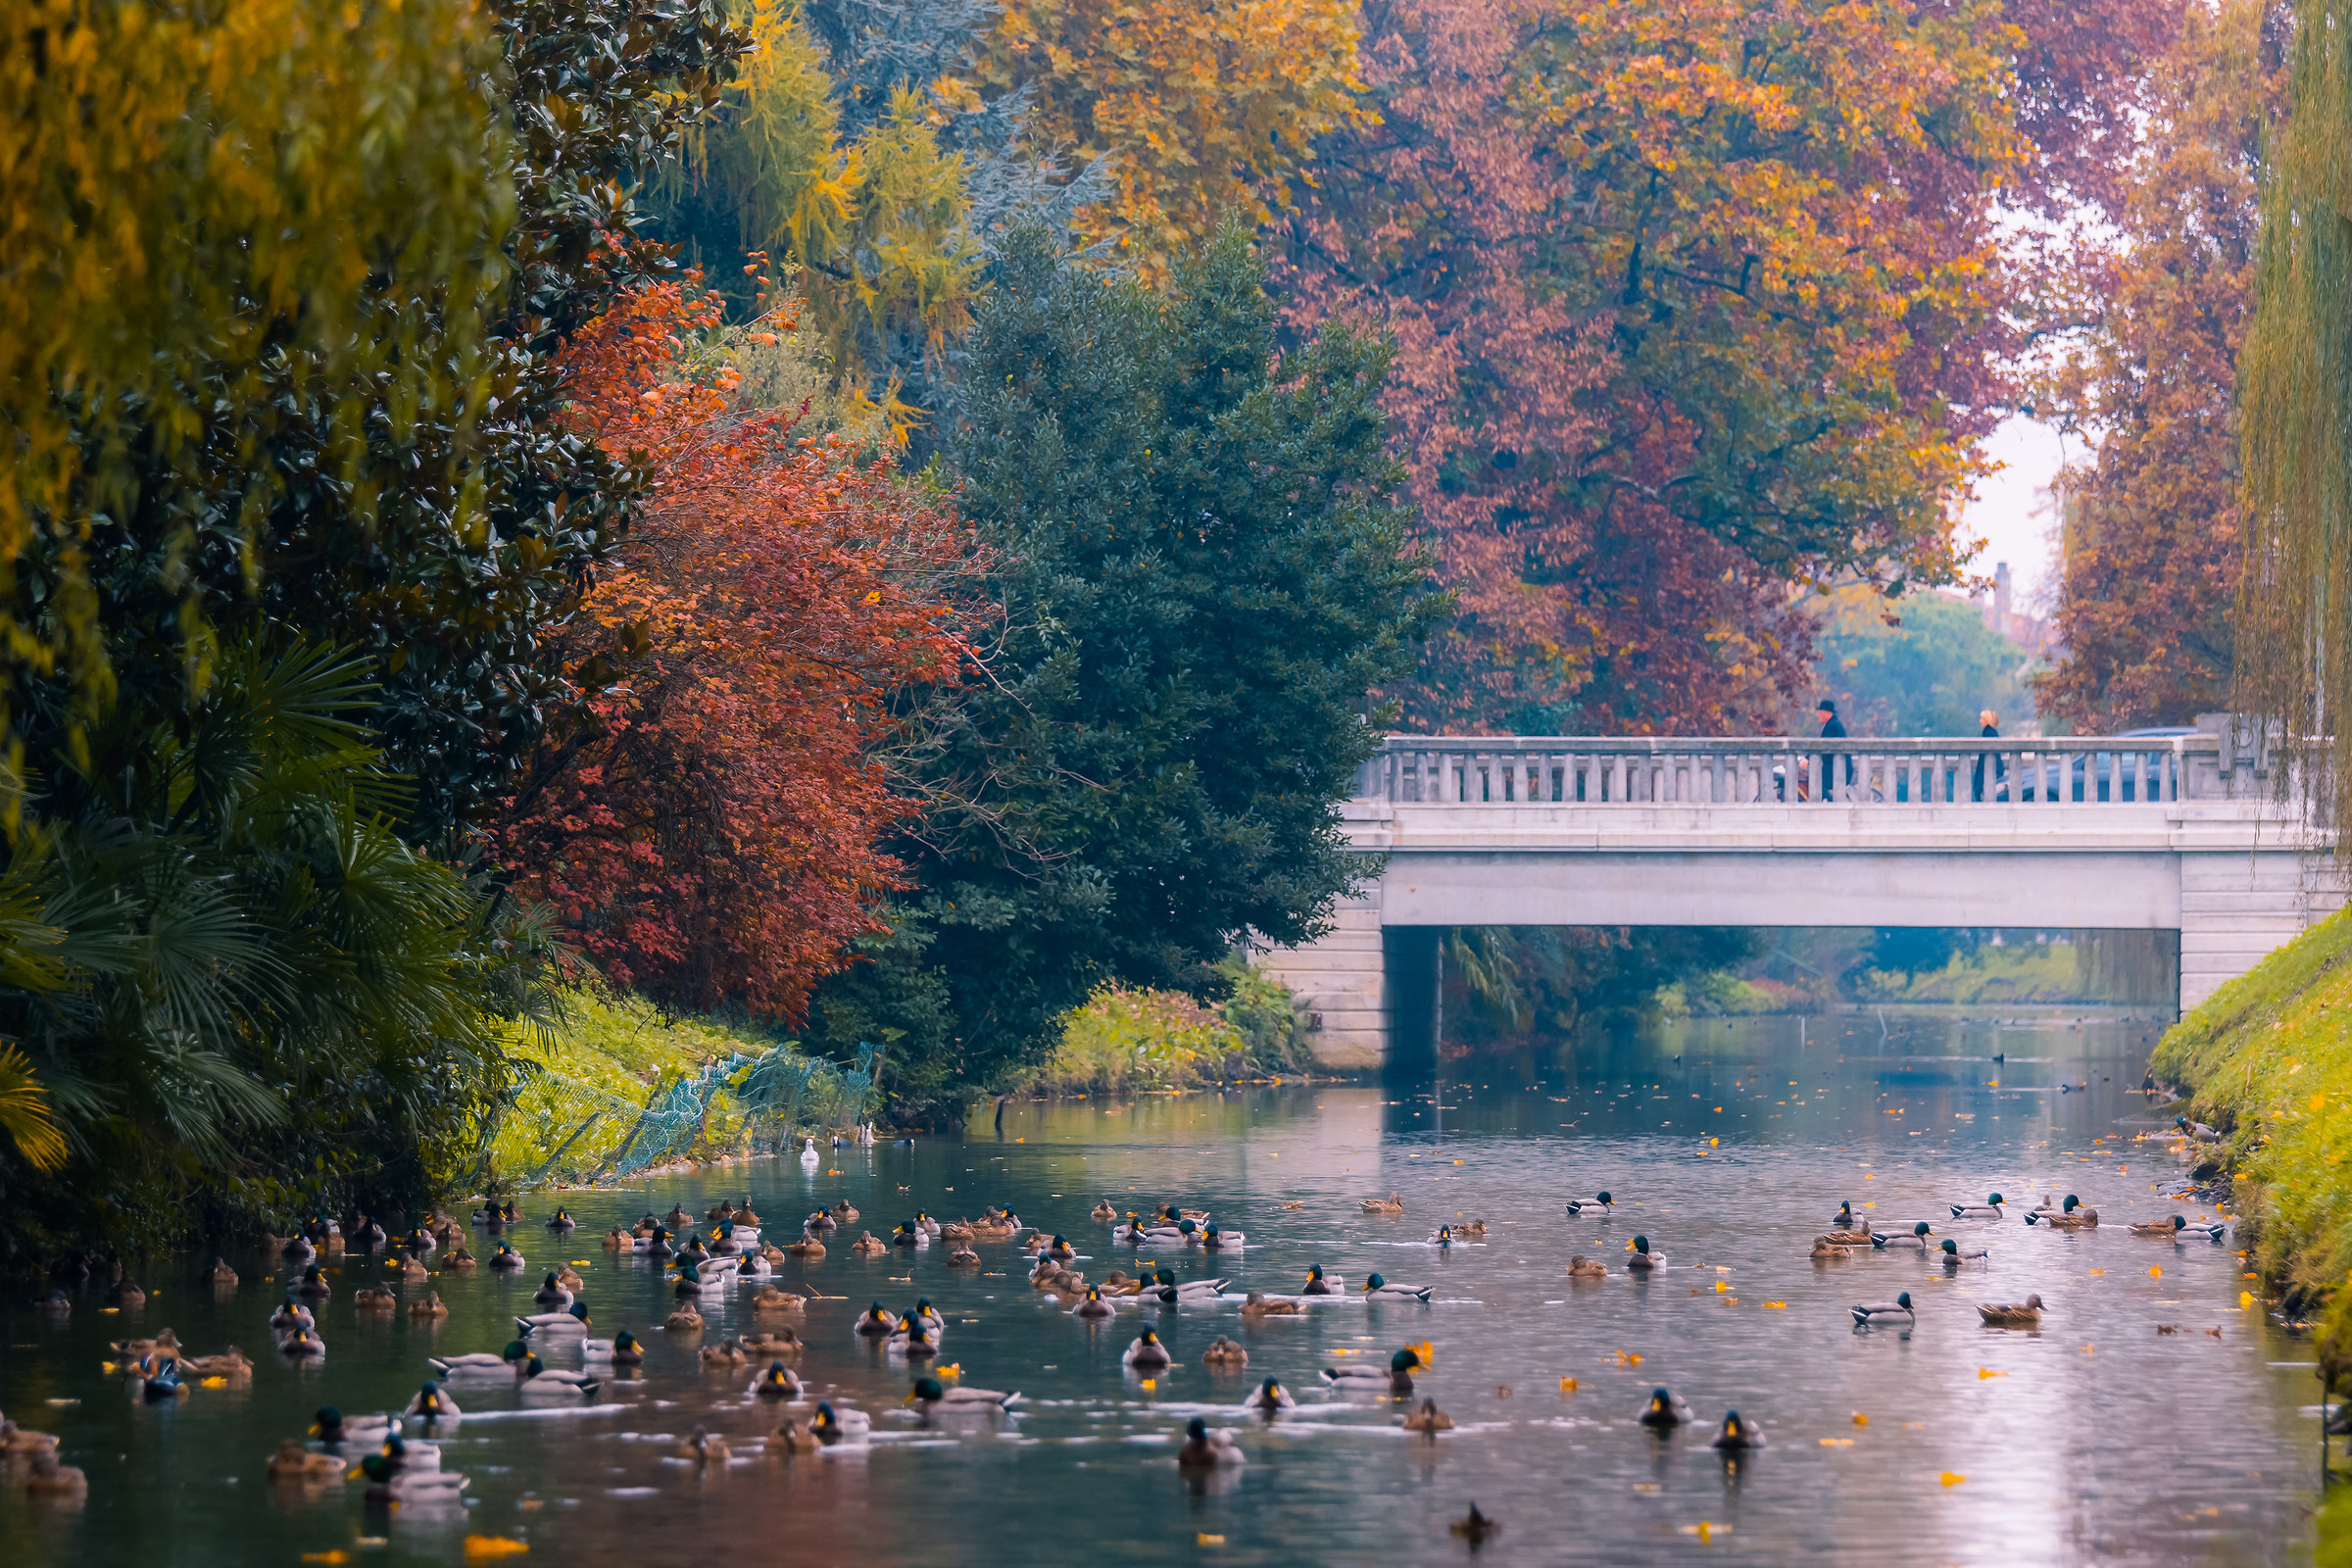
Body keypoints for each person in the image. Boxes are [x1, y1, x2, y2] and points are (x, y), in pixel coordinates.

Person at [1814, 699, 1850, 802]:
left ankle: (1829, 802)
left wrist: (1808, 759)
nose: (1818, 716)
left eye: (1819, 713)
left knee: (1816, 780)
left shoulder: (1833, 726)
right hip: (1833, 767)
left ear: (1826, 713)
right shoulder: (1832, 725)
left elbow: (1823, 746)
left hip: (1836, 769)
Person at [1971, 709, 2006, 802]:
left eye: (1982, 719)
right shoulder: (1991, 733)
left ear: (1987, 720)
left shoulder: (1988, 734)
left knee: (1981, 792)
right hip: (1988, 770)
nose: (1980, 721)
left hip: (1986, 771)